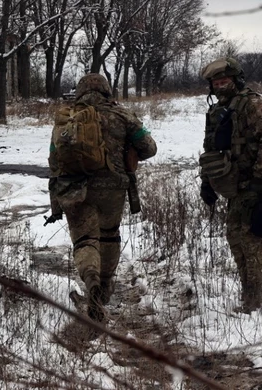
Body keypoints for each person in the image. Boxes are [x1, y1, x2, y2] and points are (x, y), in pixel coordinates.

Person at [46, 73, 157, 322]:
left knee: (85, 241)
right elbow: (149, 148)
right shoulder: (123, 115)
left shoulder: (66, 117)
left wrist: (55, 196)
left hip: (74, 189)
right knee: (108, 236)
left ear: (80, 92)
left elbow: (54, 160)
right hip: (112, 188)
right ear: (107, 90)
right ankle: (104, 286)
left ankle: (91, 281)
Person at [199, 57, 262, 314]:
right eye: (216, 82)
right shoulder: (219, 110)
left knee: (250, 238)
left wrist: (260, 180)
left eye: (224, 80)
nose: (219, 86)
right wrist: (207, 182)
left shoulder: (254, 104)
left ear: (236, 79)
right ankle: (249, 292)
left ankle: (255, 299)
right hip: (237, 183)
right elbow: (211, 149)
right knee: (235, 237)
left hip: (260, 181)